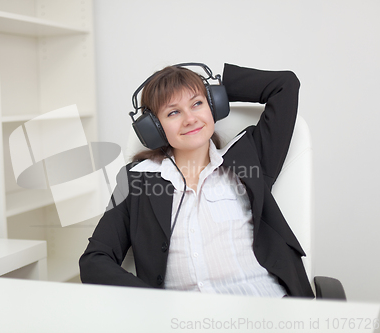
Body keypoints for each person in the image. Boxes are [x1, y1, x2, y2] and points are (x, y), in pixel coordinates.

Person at [79, 63, 314, 298]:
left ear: (213, 105)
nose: (190, 119)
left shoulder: (251, 156)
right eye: (173, 112)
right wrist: (151, 303)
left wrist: (214, 89)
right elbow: (94, 261)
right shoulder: (137, 181)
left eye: (197, 104)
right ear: (154, 128)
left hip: (267, 308)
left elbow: (285, 85)